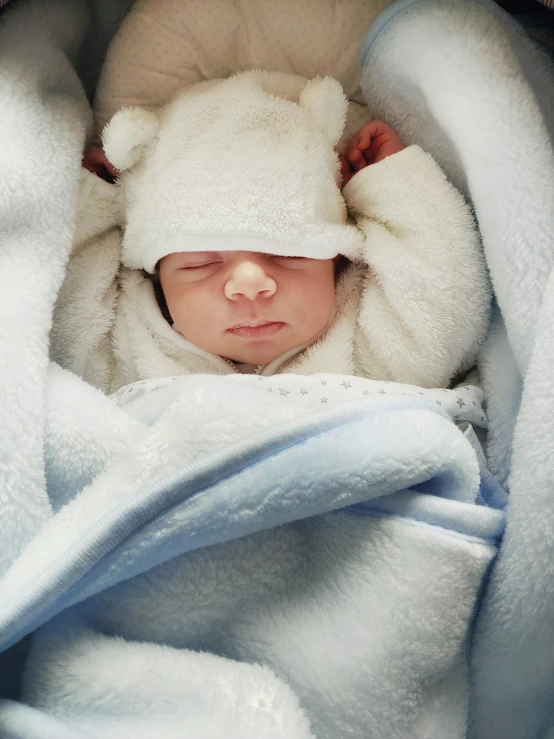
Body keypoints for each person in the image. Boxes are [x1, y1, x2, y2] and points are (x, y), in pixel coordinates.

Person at [54, 71, 489, 393]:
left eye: (289, 255)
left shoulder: (367, 345)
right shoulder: (130, 349)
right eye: (200, 263)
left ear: (336, 258)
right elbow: (66, 314)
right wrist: (92, 204)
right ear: (158, 278)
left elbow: (445, 299)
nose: (249, 284)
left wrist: (392, 185)